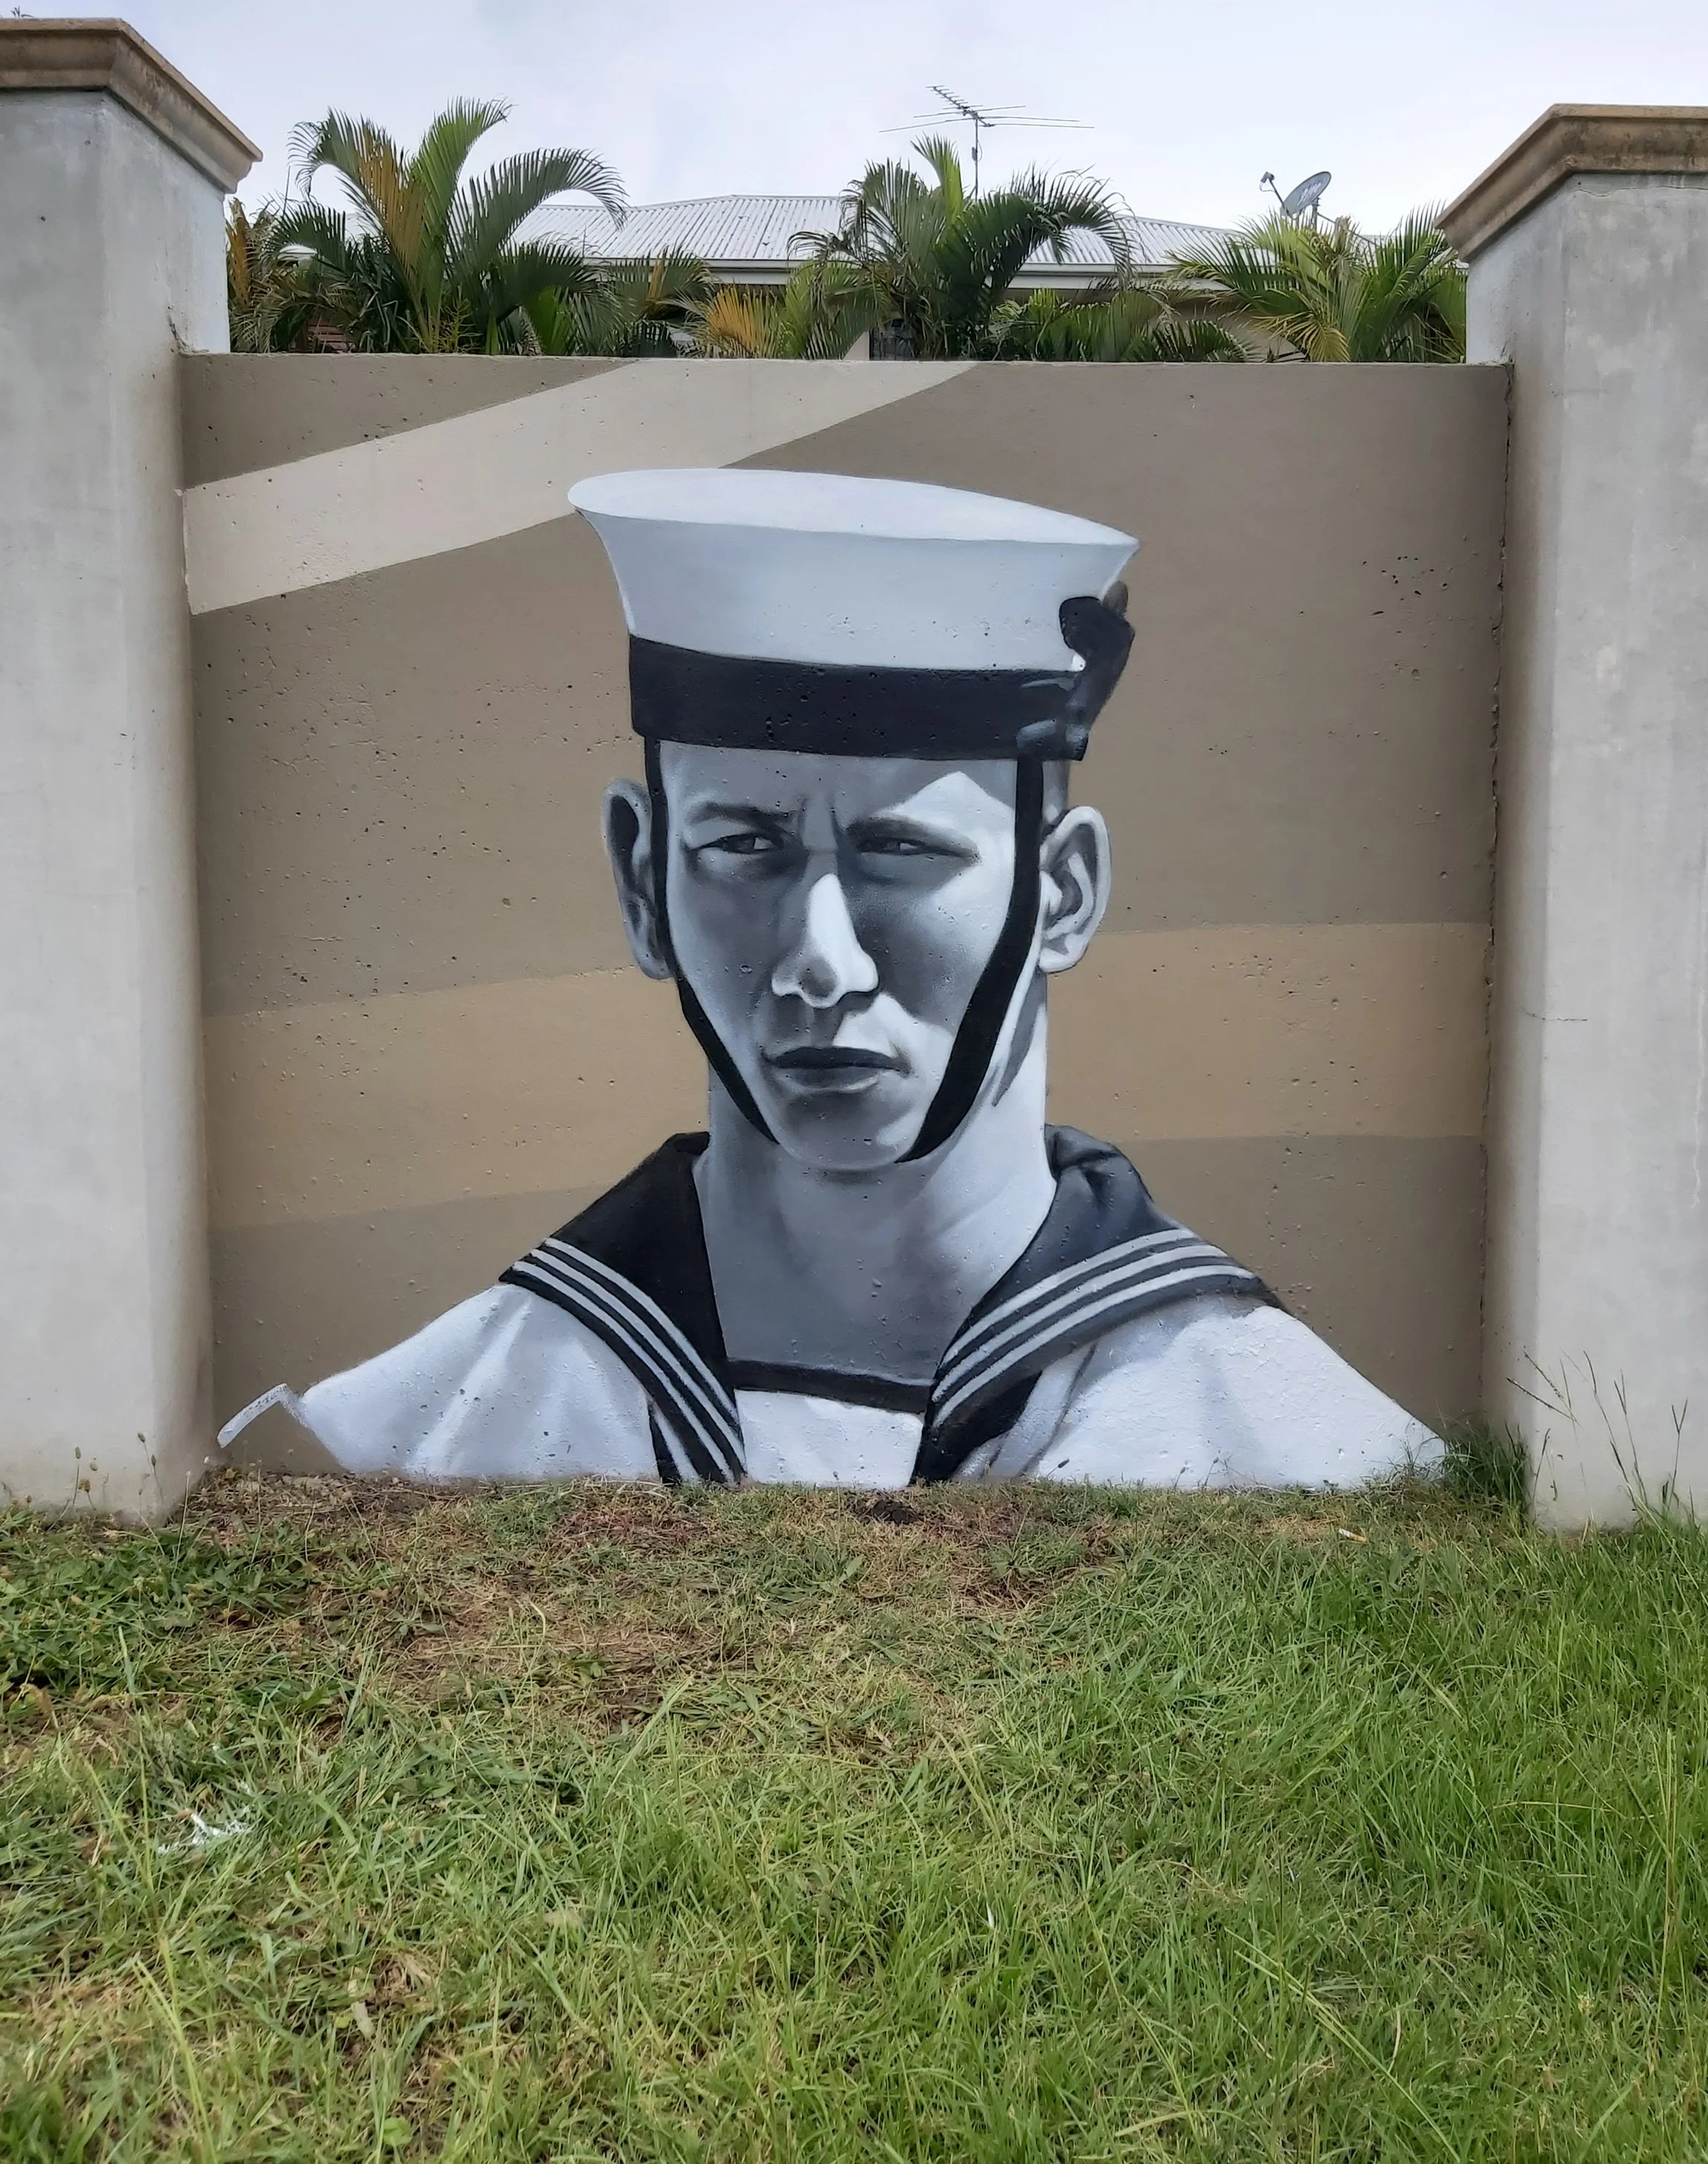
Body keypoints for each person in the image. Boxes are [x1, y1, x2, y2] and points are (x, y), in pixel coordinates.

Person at [222, 468, 1437, 1490]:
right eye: (744, 847)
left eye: (901, 852)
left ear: (1060, 892)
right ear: (644, 883)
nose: (819, 962)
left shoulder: (1272, 1436)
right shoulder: (433, 1431)